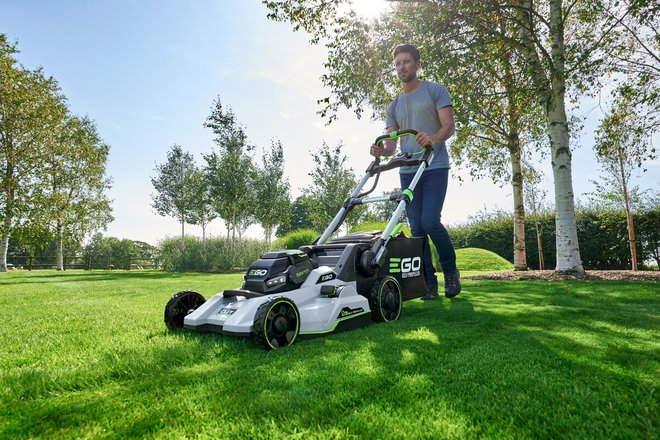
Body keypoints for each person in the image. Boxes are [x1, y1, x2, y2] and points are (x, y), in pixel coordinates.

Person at [370, 43, 461, 299]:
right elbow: (390, 146)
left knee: (430, 221)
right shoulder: (394, 105)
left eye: (406, 62)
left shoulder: (435, 91)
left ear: (417, 64)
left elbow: (449, 126)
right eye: (398, 63)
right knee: (417, 230)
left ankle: (451, 272)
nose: (401, 67)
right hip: (408, 169)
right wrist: (380, 150)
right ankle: (428, 285)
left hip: (434, 165)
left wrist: (431, 138)